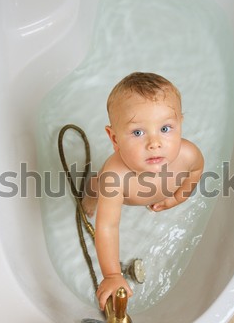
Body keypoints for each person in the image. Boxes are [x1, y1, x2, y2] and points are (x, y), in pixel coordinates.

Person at [82, 72, 204, 310]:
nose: (154, 143)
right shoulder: (114, 176)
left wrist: (178, 197)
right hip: (118, 193)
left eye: (166, 128)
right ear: (114, 138)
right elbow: (107, 227)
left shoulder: (188, 154)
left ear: (181, 123)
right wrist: (111, 275)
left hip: (155, 194)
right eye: (138, 132)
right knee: (95, 188)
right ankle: (88, 199)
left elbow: (196, 172)